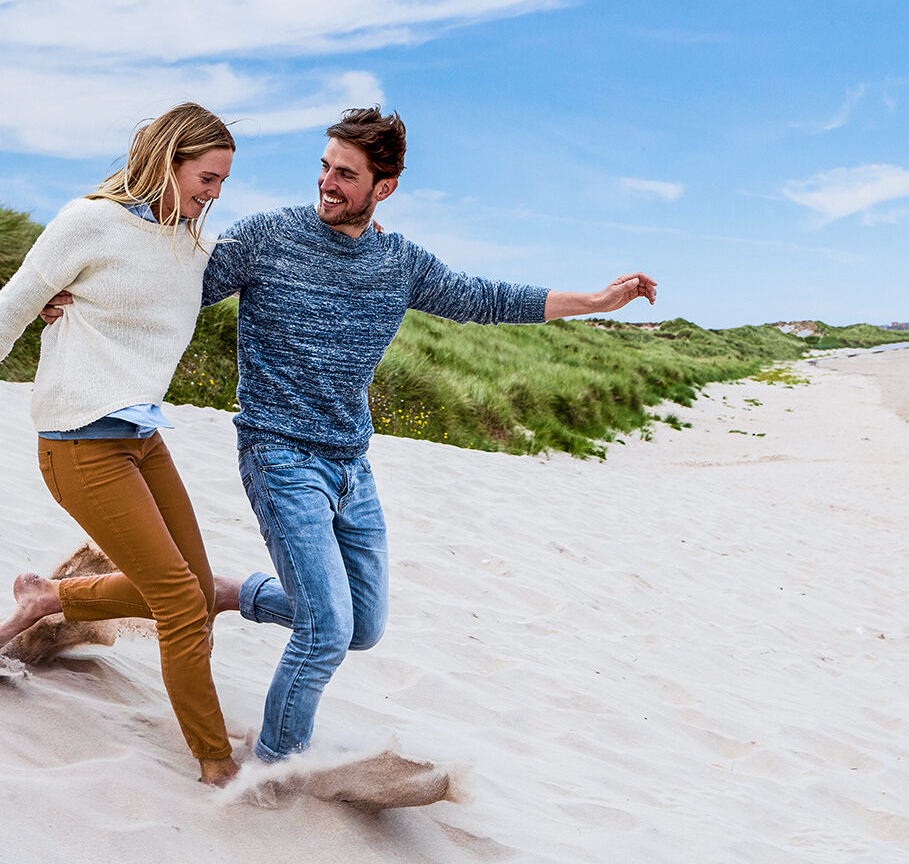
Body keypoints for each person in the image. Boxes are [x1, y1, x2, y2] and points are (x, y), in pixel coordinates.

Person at [42, 106, 657, 765]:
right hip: (278, 453)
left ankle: (224, 592)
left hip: (350, 465)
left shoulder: (399, 263)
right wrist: (73, 294)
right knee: (325, 628)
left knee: (363, 626)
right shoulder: (269, 237)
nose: (328, 184)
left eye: (345, 175)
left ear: (382, 188)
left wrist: (593, 302)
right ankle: (275, 774)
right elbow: (168, 288)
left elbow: (483, 297)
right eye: (325, 168)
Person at [0, 103, 240, 786]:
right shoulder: (88, 222)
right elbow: (13, 306)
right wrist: (53, 304)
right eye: (206, 177)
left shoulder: (191, 245)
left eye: (223, 182)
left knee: (192, 594)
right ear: (169, 161)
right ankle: (216, 762)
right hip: (78, 441)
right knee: (178, 600)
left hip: (140, 437)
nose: (214, 194)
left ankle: (50, 598)